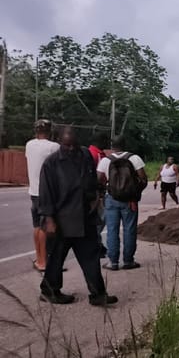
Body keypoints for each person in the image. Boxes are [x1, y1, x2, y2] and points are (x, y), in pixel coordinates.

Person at [37, 126, 118, 306]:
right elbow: (45, 193)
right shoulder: (51, 163)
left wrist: (96, 197)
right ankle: (49, 290)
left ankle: (98, 294)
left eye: (74, 144)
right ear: (59, 143)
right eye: (67, 146)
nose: (71, 149)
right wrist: (49, 219)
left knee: (91, 257)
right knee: (56, 258)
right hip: (61, 219)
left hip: (85, 217)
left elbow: (91, 181)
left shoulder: (85, 155)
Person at [97, 135, 147, 271]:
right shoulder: (134, 158)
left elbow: (99, 179)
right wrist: (134, 193)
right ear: (125, 144)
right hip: (130, 200)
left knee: (112, 230)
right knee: (129, 229)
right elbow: (143, 179)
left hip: (111, 199)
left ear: (112, 145)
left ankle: (113, 262)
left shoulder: (106, 160)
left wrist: (103, 193)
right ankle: (128, 261)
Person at [25, 119, 60, 272]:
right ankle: (44, 262)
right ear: (50, 131)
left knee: (37, 226)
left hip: (33, 191)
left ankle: (39, 259)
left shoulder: (29, 144)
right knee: (47, 228)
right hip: (47, 192)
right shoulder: (54, 147)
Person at [88, 131, 108, 258]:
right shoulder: (93, 154)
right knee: (100, 219)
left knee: (100, 219)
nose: (107, 143)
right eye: (105, 140)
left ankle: (97, 244)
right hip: (96, 193)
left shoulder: (100, 154)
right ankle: (95, 245)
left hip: (99, 191)